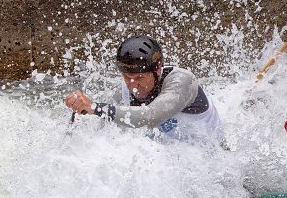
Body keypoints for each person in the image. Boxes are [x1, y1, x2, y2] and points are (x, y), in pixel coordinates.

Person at [64, 35, 224, 145]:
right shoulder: (124, 91)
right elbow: (104, 127)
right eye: (127, 77)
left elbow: (150, 116)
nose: (132, 85)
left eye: (140, 78)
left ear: (158, 69)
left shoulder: (183, 81)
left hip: (213, 167)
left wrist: (94, 107)